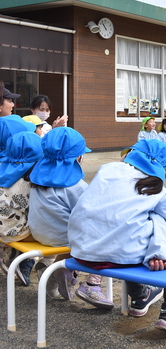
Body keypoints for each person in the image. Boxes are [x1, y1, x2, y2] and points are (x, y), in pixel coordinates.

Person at [68, 139, 166, 333]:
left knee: (127, 231)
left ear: (131, 154)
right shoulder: (160, 190)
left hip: (82, 252)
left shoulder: (106, 170)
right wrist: (159, 251)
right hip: (121, 257)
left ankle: (139, 297)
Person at [28, 127, 113, 308]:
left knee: (68, 230)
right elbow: (90, 213)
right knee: (106, 235)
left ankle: (56, 270)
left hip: (38, 231)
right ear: (76, 156)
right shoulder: (75, 185)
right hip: (63, 237)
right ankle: (90, 283)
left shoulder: (37, 176)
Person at [0, 131, 43, 285]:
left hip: (3, 227)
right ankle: (29, 259)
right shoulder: (32, 179)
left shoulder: (3, 167)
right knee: (55, 234)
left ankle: (11, 253)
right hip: (16, 232)